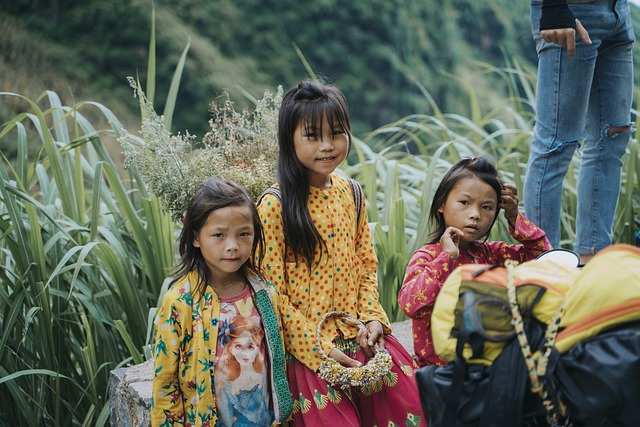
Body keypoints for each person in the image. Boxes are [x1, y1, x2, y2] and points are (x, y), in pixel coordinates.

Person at [257, 80, 426, 426]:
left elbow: (366, 265)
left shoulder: (352, 193)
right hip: (310, 357)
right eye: (313, 136)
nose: (327, 146)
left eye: (336, 133)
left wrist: (374, 319)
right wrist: (322, 351)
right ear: (289, 140)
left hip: (362, 340)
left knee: (413, 409)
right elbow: (273, 298)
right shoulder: (275, 207)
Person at [151, 178, 292, 427]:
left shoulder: (265, 293)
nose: (233, 246)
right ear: (196, 237)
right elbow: (166, 380)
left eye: (244, 234)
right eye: (218, 235)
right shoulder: (181, 301)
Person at [398, 157, 552, 367]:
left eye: (487, 207)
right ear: (441, 204)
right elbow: (410, 305)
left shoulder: (491, 255)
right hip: (440, 373)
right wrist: (447, 258)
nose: (475, 215)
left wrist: (515, 216)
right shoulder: (428, 257)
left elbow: (542, 256)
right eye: (464, 202)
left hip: (488, 367)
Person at [524, 0, 634, 265]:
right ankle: (544, 271)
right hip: (573, 12)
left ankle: (592, 265)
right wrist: (553, 7)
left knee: (612, 140)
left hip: (619, 12)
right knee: (555, 146)